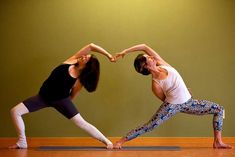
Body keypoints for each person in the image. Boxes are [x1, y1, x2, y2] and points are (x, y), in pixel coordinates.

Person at [113, 44, 232, 149]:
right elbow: (165, 99)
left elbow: (144, 46)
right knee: (149, 126)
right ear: (145, 66)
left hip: (189, 103)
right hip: (172, 107)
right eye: (147, 58)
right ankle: (121, 141)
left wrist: (125, 51)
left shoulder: (162, 64)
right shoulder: (155, 84)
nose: (151, 57)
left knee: (219, 109)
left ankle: (217, 141)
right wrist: (178, 98)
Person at [9, 43, 114, 149]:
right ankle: (22, 142)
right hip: (43, 97)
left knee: (81, 123)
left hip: (61, 100)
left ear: (88, 66)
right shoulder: (72, 60)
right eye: (87, 55)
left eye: (87, 58)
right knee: (15, 111)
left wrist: (66, 106)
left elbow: (72, 95)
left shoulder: (79, 81)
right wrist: (108, 55)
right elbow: (91, 46)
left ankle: (107, 142)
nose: (84, 56)